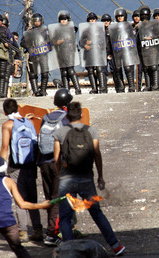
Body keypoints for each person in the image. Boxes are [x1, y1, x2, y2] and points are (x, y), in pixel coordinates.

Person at [53, 102, 126, 256]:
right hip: (86, 178)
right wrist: (100, 175)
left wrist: (61, 175)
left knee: (65, 217)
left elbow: (56, 158)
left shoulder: (60, 132)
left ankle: (69, 251)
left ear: (66, 117)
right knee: (97, 213)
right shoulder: (91, 131)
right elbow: (97, 154)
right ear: (81, 115)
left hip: (67, 178)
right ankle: (115, 246)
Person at [0, 98, 43, 242]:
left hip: (16, 166)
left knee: (19, 199)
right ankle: (37, 229)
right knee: (32, 198)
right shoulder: (28, 122)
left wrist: (0, 167)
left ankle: (23, 232)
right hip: (30, 165)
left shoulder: (8, 125)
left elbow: (5, 148)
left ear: (4, 111)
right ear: (18, 108)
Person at [37, 89, 72, 246]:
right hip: (58, 163)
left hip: (44, 162)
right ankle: (51, 234)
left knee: (50, 198)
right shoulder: (65, 119)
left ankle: (54, 229)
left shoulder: (46, 117)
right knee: (59, 198)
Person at [51, 10, 82, 94]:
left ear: (68, 20)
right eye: (62, 19)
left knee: (70, 70)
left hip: (70, 52)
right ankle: (66, 90)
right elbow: (53, 41)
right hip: (60, 52)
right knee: (63, 72)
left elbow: (74, 31)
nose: (63, 20)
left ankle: (77, 89)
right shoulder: (57, 30)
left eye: (65, 19)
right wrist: (58, 42)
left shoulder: (72, 28)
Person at [21, 13, 51, 96]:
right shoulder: (29, 32)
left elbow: (51, 40)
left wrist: (47, 43)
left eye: (39, 21)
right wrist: (29, 46)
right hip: (33, 54)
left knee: (45, 73)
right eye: (35, 21)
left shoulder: (46, 31)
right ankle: (35, 91)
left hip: (43, 54)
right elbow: (22, 42)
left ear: (42, 21)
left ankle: (43, 90)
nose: (37, 22)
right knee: (33, 74)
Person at [79, 12, 108, 94]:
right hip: (88, 54)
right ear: (88, 20)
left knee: (99, 69)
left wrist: (97, 44)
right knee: (90, 71)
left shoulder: (100, 29)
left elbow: (104, 40)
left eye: (93, 19)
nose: (92, 21)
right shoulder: (85, 30)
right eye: (90, 19)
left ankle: (102, 88)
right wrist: (85, 44)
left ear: (96, 20)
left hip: (98, 53)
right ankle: (94, 88)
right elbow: (80, 42)